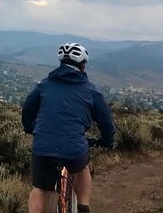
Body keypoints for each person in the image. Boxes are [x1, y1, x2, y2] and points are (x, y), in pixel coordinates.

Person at [21, 43, 116, 213]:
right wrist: (107, 141)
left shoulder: (44, 85)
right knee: (82, 167)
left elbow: (27, 109)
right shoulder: (91, 91)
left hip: (43, 146)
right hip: (74, 148)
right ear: (83, 65)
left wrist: (31, 127)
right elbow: (106, 122)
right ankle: (83, 207)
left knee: (39, 189)